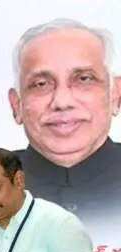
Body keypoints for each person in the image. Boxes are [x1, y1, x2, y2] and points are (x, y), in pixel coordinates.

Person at [8, 19, 121, 225]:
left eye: (84, 79)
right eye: (41, 84)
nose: (62, 102)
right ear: (17, 105)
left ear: (115, 95)